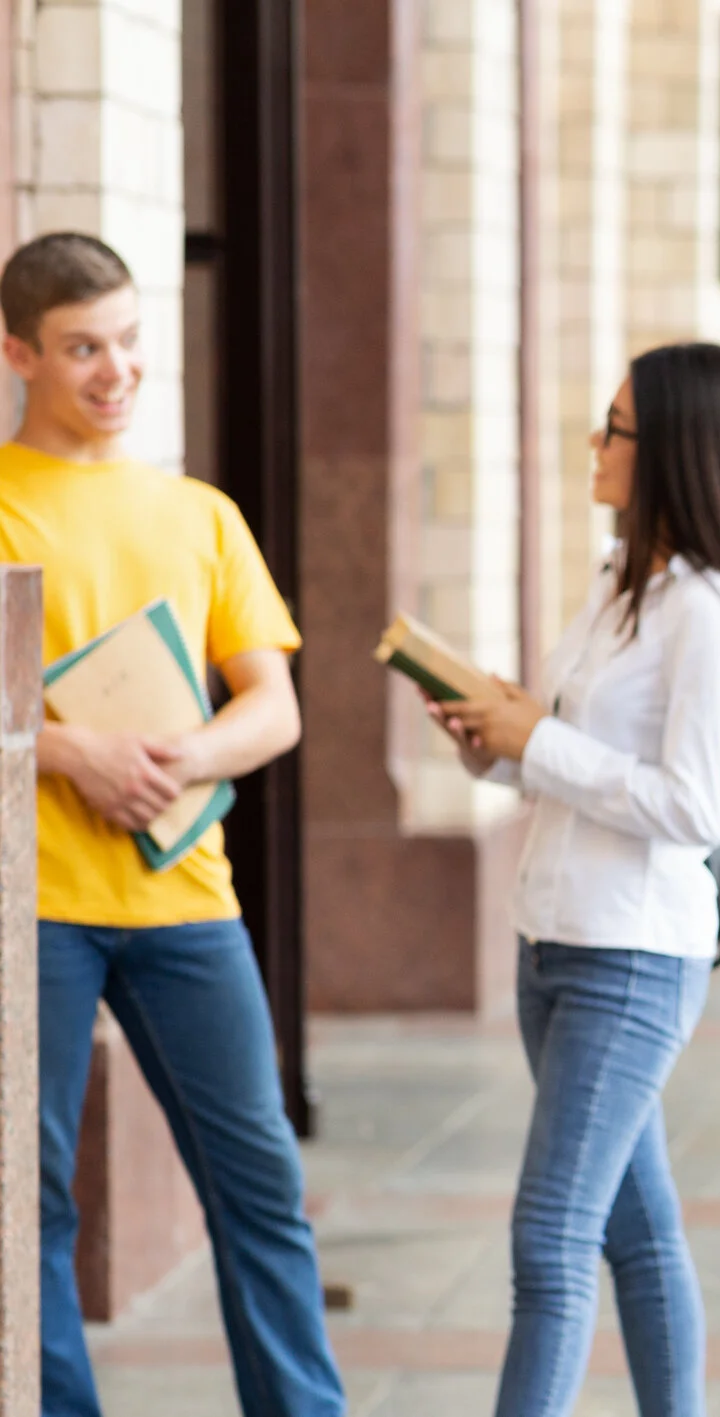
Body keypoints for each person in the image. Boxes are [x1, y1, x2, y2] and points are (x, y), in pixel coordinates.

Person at [0, 233, 344, 1416]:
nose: (116, 370)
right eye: (84, 347)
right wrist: (71, 752)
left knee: (260, 1187)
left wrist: (178, 756)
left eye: (131, 341)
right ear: (18, 353)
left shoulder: (198, 512)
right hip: (32, 906)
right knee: (27, 1197)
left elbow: (275, 706)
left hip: (187, 899)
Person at [432, 342, 720, 1414]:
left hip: (630, 958)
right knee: (638, 1234)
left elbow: (694, 804)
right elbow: (561, 757)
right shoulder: (616, 586)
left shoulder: (711, 614)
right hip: (554, 940)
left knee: (549, 1240)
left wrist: (536, 737)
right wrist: (487, 736)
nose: (595, 444)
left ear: (675, 450)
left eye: (615, 427)